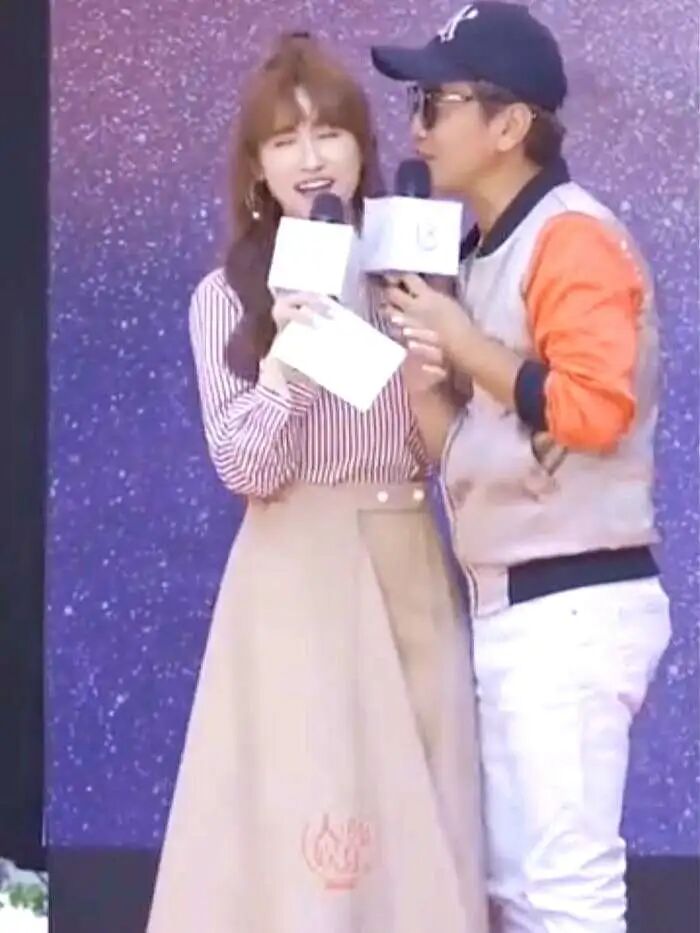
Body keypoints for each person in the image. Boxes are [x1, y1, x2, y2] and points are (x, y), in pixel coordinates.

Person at [147, 33, 488, 933]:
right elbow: (243, 467)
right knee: (309, 809)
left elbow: (443, 451)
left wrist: (427, 350)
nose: (311, 157)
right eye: (285, 139)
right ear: (257, 168)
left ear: (360, 149)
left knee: (422, 814)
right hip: (293, 577)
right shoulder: (226, 297)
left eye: (328, 132)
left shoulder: (408, 273)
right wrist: (291, 357)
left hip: (408, 560)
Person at [371, 3, 671, 931]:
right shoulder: (477, 253)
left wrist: (464, 345)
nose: (416, 127)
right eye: (415, 104)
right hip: (513, 604)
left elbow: (596, 409)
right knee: (519, 894)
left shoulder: (571, 237)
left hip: (569, 604)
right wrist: (423, 364)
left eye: (436, 103)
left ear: (509, 125)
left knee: (566, 896)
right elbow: (462, 450)